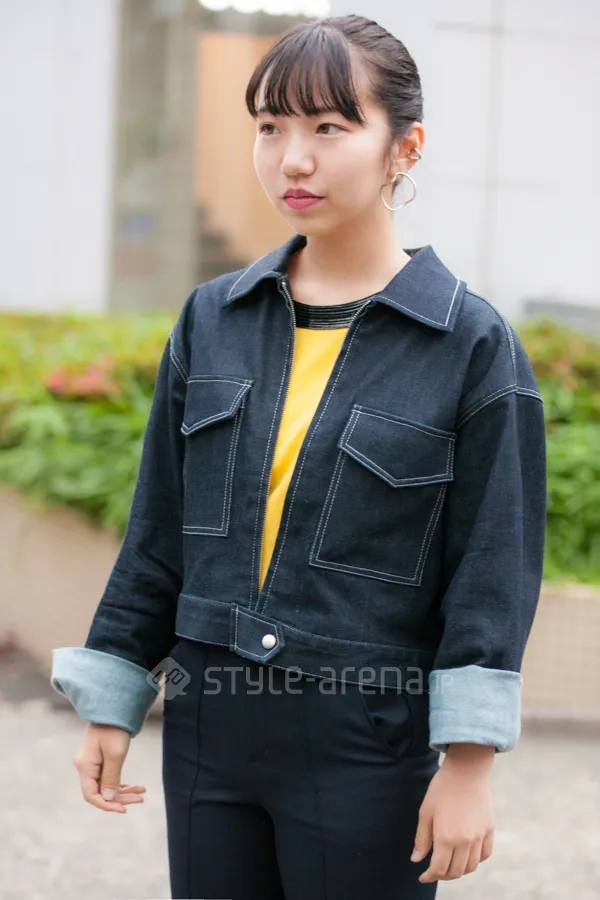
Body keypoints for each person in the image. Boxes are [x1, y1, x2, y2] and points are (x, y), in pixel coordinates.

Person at [50, 14, 547, 900]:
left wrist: (468, 763)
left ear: (404, 147)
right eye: (271, 127)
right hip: (207, 730)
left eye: (329, 126)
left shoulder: (470, 346)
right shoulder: (213, 320)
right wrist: (113, 695)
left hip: (368, 740)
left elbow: (493, 567)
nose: (293, 159)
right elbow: (159, 529)